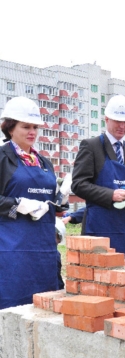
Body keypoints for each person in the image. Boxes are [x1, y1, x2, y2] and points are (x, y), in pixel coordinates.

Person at [0, 97, 61, 308]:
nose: (32, 132)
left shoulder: (44, 162)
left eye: (35, 127)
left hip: (44, 248)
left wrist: (58, 201)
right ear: (9, 128)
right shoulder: (2, 158)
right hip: (11, 248)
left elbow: (52, 195)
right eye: (25, 126)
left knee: (43, 305)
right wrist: (18, 204)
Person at [71, 95, 125, 263]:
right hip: (99, 226)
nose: (122, 126)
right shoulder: (91, 146)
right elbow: (79, 184)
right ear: (107, 119)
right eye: (118, 121)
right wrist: (110, 194)